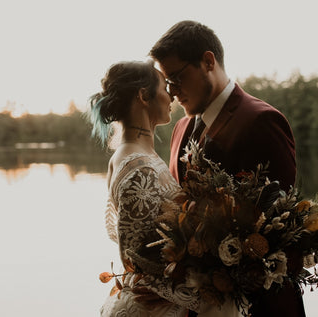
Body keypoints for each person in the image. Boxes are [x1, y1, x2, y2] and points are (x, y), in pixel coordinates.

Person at [149, 21, 304, 317]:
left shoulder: (261, 122)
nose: (172, 91)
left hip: (260, 306)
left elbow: (279, 232)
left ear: (208, 61)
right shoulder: (181, 127)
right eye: (167, 83)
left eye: (177, 78)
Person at [89, 60, 241, 316]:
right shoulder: (139, 167)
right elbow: (140, 262)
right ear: (143, 96)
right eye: (164, 86)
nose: (171, 93)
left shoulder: (136, 154)